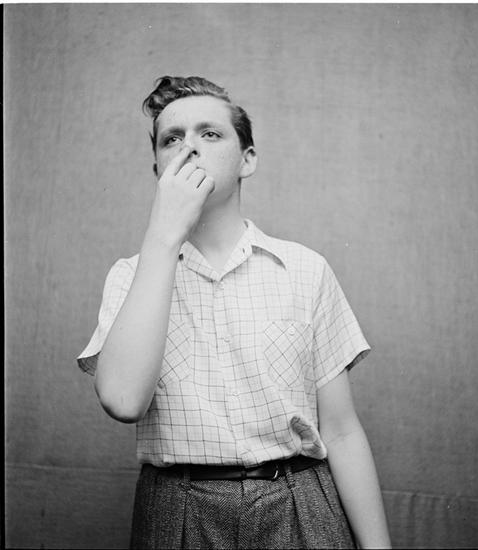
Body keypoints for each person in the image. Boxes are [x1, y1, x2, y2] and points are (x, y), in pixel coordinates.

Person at [77, 75, 391, 549]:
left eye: (210, 133)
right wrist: (164, 233)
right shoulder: (129, 277)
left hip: (299, 504)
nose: (189, 148)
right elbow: (123, 400)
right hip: (178, 511)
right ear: (159, 168)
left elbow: (342, 432)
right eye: (172, 139)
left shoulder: (305, 269)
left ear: (248, 160)